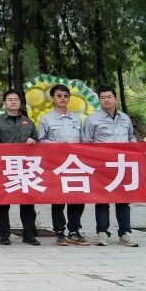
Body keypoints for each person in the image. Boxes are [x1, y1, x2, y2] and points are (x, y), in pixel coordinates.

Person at [84, 85, 139, 247]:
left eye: (109, 97)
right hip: (101, 166)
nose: (106, 100)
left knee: (123, 200)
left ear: (115, 98)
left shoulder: (125, 118)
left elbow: (131, 138)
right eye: (102, 98)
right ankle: (102, 233)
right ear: (99, 100)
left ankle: (125, 233)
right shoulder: (92, 119)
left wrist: (139, 151)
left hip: (122, 165)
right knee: (102, 200)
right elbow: (86, 142)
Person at [39, 83, 90, 246]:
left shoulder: (77, 118)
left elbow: (84, 141)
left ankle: (74, 230)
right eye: (59, 96)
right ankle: (59, 231)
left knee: (77, 198)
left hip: (75, 164)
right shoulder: (46, 119)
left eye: (66, 96)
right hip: (56, 164)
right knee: (58, 198)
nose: (62, 98)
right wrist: (56, 145)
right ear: (52, 99)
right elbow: (40, 141)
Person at [0, 89, 40, 246]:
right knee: (3, 202)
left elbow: (38, 143)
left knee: (27, 202)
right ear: (4, 103)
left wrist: (33, 141)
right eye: (10, 99)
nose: (13, 102)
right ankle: (4, 234)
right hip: (4, 167)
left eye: (16, 99)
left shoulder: (28, 122)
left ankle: (29, 234)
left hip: (25, 169)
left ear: (20, 102)